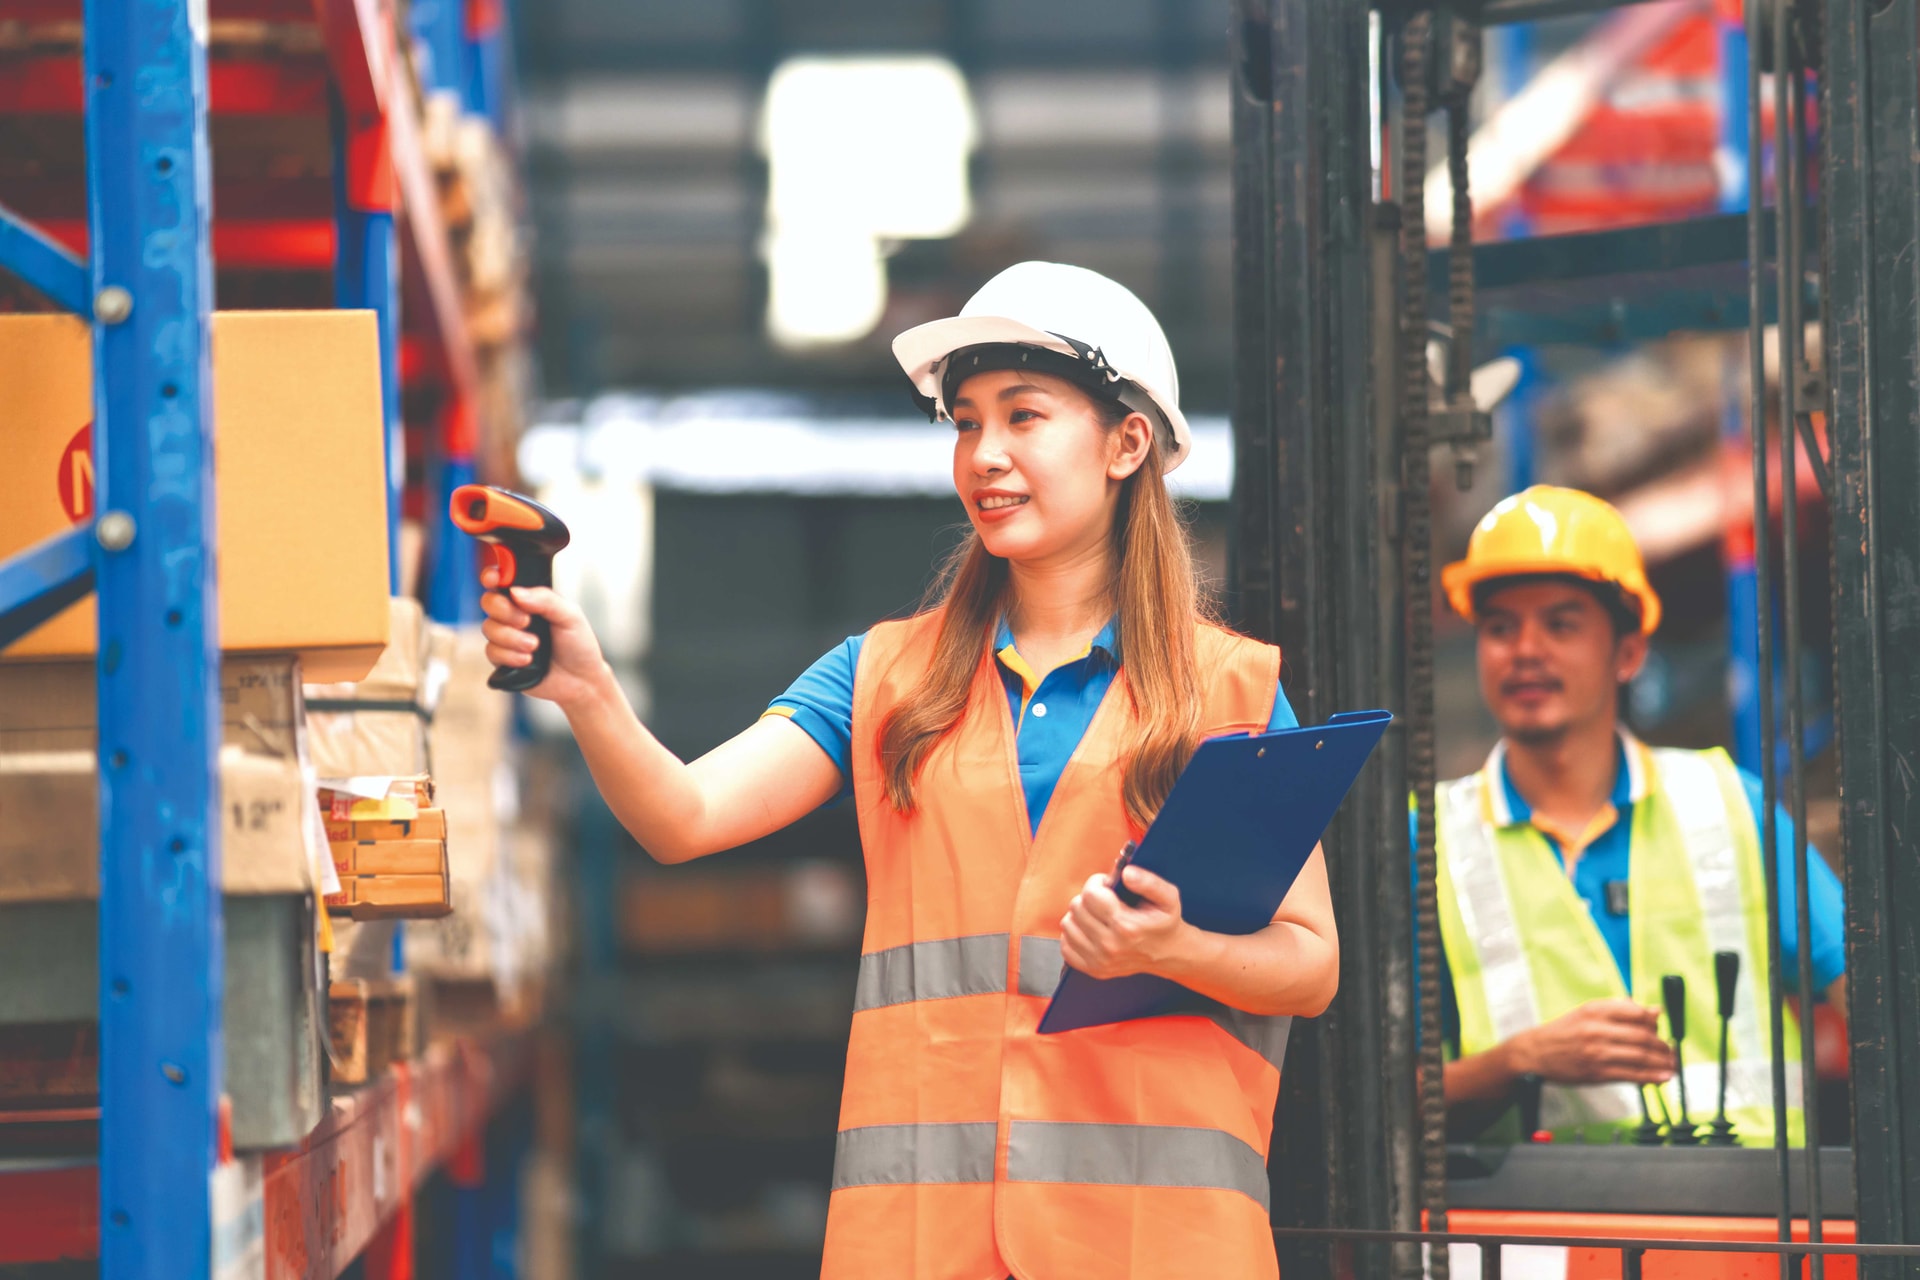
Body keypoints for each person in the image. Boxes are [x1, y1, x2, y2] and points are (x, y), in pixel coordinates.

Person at [479, 261, 1338, 1279]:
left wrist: (1177, 945)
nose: (987, 454)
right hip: (930, 1247)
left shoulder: (1227, 690)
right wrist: (589, 690)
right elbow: (685, 815)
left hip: (1155, 1247)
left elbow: (1309, 963)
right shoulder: (885, 677)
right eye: (968, 423)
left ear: (1127, 441)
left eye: (1025, 417)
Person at [1421, 486, 1845, 1145]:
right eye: (1500, 627)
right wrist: (1519, 1062)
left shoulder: (1727, 801)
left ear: (1628, 653)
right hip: (1538, 1235)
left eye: (1561, 625)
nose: (1524, 650)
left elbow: (1867, 995)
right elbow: (1383, 1095)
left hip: (1751, 1223)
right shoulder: (1433, 840)